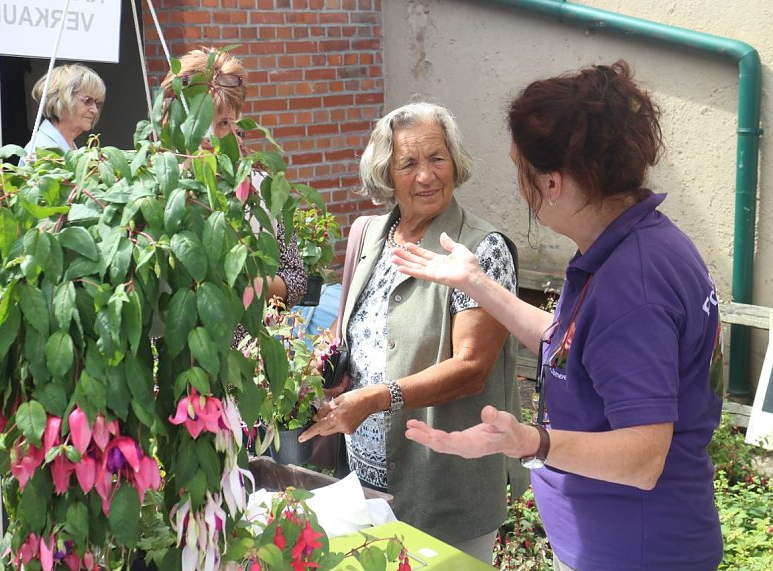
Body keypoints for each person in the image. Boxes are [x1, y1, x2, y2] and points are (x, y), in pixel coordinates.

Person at [393, 61, 723, 571]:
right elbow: (574, 341)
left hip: (635, 551)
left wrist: (531, 442)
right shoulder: (636, 242)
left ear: (552, 183)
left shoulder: (632, 284)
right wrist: (476, 282)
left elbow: (643, 458)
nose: (520, 187)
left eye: (520, 170)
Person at [299, 101, 524, 560]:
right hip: (361, 483)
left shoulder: (480, 250)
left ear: (455, 162)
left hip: (444, 488)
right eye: (409, 163)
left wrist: (378, 397)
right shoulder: (370, 237)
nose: (426, 175)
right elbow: (353, 333)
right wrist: (330, 372)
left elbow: (471, 369)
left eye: (437, 158)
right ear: (387, 174)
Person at [160, 48, 306, 310]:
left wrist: (243, 279)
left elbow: (295, 278)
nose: (211, 136)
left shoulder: (263, 187)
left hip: (247, 344)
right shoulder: (156, 185)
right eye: (200, 122)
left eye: (225, 123)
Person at [22, 64, 106, 162]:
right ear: (60, 100)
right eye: (87, 101)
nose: (95, 110)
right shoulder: (41, 151)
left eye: (97, 103)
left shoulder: (66, 146)